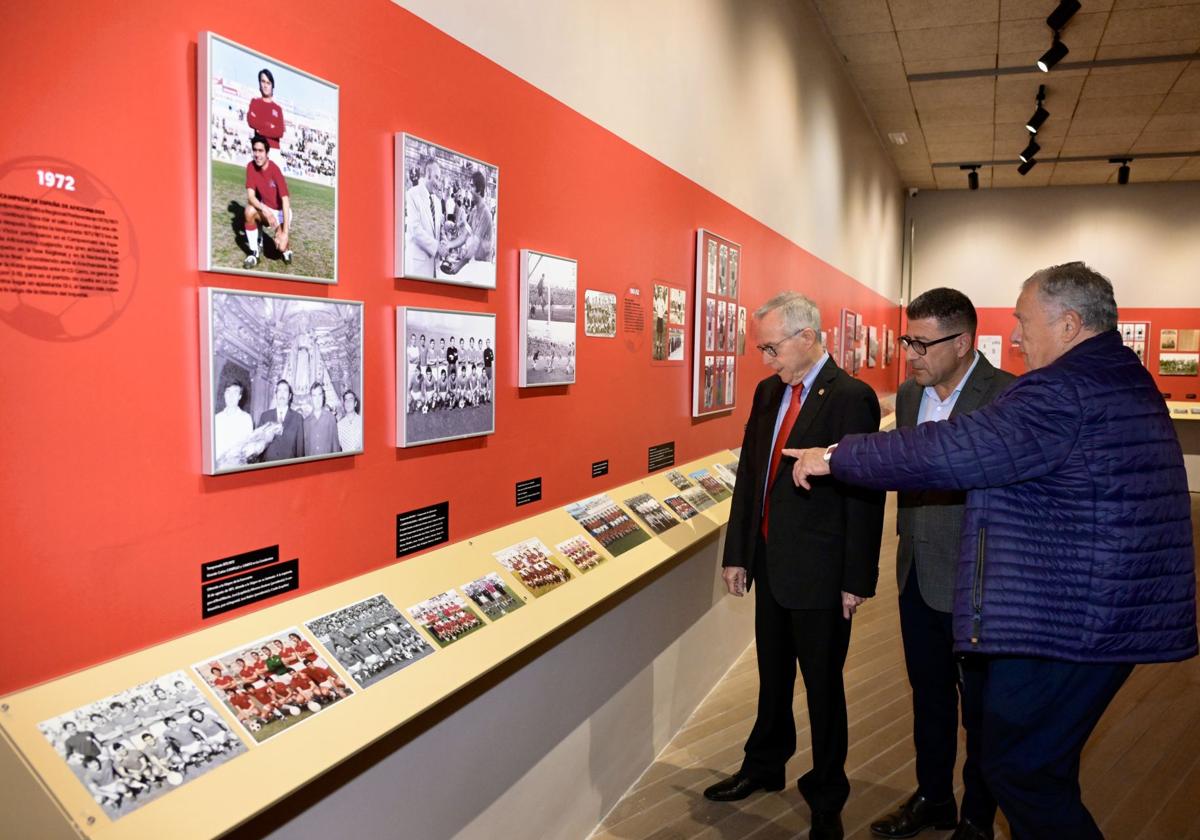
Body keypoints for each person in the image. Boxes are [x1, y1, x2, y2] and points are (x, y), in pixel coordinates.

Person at [787, 263, 1197, 840]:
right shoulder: (1111, 377)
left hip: (1077, 615)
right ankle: (940, 800)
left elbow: (959, 448)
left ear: (1071, 324)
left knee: (1019, 767)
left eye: (1025, 322)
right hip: (1085, 602)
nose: (1018, 336)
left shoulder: (1066, 390)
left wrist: (836, 457)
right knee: (1033, 766)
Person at [702, 291, 885, 840]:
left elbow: (864, 494)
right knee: (772, 677)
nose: (765, 359)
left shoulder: (851, 397)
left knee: (824, 688)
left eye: (772, 346)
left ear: (807, 338)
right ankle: (764, 765)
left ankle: (827, 794)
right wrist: (738, 553)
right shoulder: (767, 393)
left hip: (823, 575)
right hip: (771, 565)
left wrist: (856, 579)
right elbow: (751, 477)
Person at [868, 289, 1013, 840]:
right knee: (927, 696)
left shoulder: (1007, 397)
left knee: (981, 710)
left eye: (923, 343)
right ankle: (933, 798)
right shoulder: (909, 396)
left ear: (963, 342)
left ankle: (977, 816)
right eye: (909, 340)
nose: (912, 354)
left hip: (980, 581)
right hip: (915, 573)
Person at [242, 134, 292, 269]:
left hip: (281, 211)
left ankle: (286, 249)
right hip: (266, 209)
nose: (257, 154)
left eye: (261, 151)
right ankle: (254, 252)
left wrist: (285, 233)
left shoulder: (275, 170)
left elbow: (285, 201)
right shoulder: (251, 167)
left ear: (267, 152)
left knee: (280, 246)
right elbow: (251, 197)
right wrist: (264, 209)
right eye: (255, 150)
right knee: (249, 211)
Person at [440, 169, 494, 274]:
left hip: (484, 266)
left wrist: (457, 267)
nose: (469, 189)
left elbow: (474, 245)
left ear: (479, 189)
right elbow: (464, 236)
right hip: (474, 263)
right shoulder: (473, 211)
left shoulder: (486, 213)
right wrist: (449, 245)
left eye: (472, 186)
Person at [404, 154, 444, 276]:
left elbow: (436, 230)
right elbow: (415, 230)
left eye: (439, 179)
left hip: (433, 268)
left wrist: (444, 229)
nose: (438, 183)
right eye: (436, 178)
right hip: (417, 268)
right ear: (427, 174)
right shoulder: (412, 195)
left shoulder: (437, 202)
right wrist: (437, 247)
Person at [256, 379, 304, 463]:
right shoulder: (265, 416)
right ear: (275, 395)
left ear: (289, 396)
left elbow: (300, 450)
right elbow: (257, 445)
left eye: (285, 391)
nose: (282, 394)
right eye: (279, 390)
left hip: (289, 468)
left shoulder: (298, 418)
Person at [213, 381, 253, 464]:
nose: (231, 396)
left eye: (235, 392)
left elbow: (249, 447)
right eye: (228, 391)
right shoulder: (216, 418)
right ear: (224, 395)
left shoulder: (246, 419)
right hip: (218, 466)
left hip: (238, 466)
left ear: (240, 396)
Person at [246, 68, 285, 150]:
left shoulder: (278, 109)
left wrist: (260, 130)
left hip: (274, 150)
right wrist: (269, 125)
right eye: (263, 81)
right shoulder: (255, 102)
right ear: (259, 83)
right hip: (259, 149)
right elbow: (251, 122)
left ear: (272, 86)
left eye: (268, 83)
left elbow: (280, 132)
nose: (265, 85)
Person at [303, 381, 341, 456]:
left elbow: (335, 446)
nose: (317, 399)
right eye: (314, 396)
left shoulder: (331, 418)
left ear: (323, 397)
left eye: (319, 395)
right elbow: (305, 449)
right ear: (311, 398)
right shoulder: (305, 422)